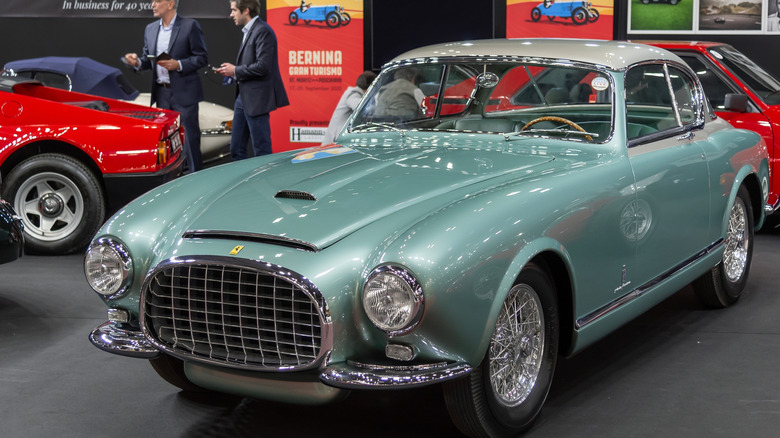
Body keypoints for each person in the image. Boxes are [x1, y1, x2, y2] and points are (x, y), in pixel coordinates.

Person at [124, 0, 208, 172]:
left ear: (170, 4)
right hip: (162, 93)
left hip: (184, 94)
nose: (153, 4)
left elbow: (202, 57)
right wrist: (137, 62)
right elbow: (148, 60)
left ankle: (196, 180)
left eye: (157, 1)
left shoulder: (189, 26)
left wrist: (179, 64)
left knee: (190, 141)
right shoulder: (151, 28)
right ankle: (173, 181)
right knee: (168, 142)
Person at [217, 0, 289, 160]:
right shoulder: (250, 31)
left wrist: (235, 70)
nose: (231, 15)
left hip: (257, 100)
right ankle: (243, 184)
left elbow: (263, 66)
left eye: (234, 10)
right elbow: (252, 65)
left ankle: (265, 184)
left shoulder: (263, 31)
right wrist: (232, 72)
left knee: (261, 150)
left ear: (246, 10)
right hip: (243, 98)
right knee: (236, 148)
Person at [321, 70, 376, 145]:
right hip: (335, 142)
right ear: (370, 85)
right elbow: (360, 107)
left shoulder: (356, 93)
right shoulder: (353, 93)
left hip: (339, 140)